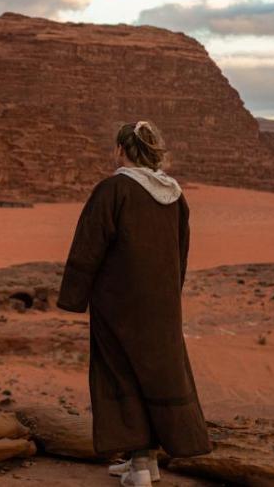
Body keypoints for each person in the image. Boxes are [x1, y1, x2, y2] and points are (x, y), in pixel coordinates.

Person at [58, 121, 211, 486]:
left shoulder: (114, 189)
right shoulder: (175, 195)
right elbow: (181, 252)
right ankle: (146, 459)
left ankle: (139, 469)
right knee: (156, 374)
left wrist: (74, 297)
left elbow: (88, 246)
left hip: (118, 302)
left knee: (120, 373)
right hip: (161, 304)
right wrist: (170, 293)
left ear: (121, 150)